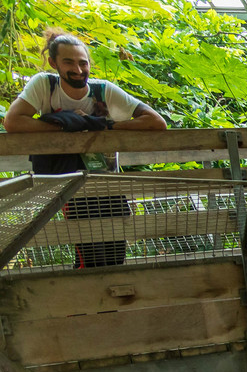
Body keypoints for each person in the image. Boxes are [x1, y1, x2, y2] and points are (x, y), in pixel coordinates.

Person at [5, 31, 166, 267]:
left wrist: (105, 125)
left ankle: (110, 300)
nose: (78, 70)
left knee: (115, 249)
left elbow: (156, 122)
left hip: (107, 181)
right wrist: (65, 127)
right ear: (54, 63)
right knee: (89, 252)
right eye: (68, 62)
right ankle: (90, 300)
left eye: (83, 63)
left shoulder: (103, 90)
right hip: (69, 182)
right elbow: (13, 121)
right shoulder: (45, 86)